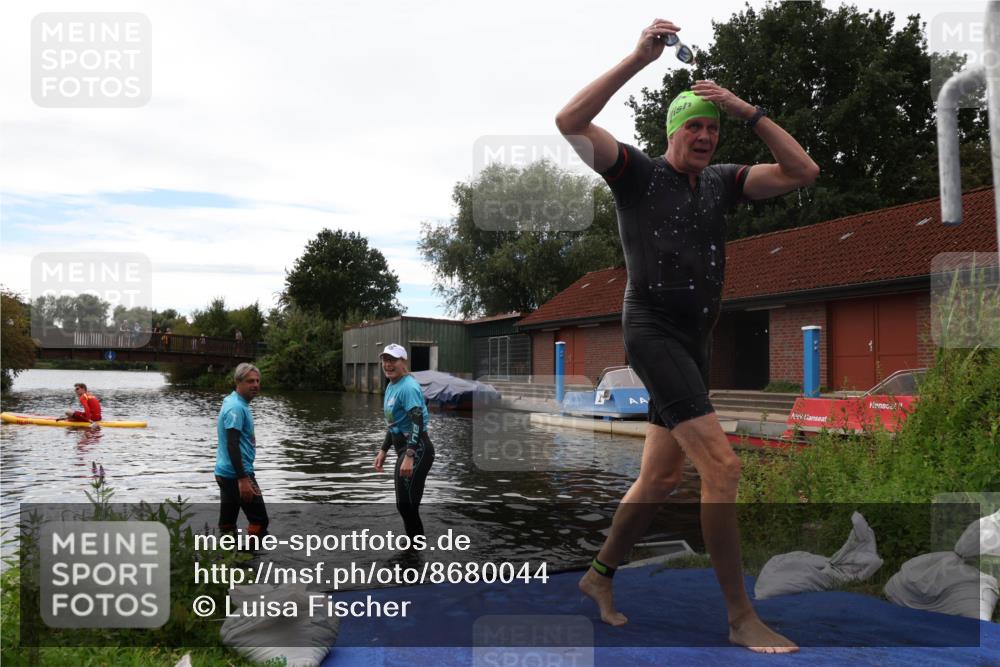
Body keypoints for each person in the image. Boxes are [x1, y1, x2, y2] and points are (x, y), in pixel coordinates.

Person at [555, 18, 818, 653]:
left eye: (711, 127)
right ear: (671, 130)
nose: (703, 135)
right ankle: (739, 618)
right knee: (723, 468)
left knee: (661, 479)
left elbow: (802, 171)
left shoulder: (725, 182)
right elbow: (569, 121)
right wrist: (638, 59)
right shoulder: (636, 175)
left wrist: (746, 111)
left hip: (695, 341)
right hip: (650, 332)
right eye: (693, 125)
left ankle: (598, 577)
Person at [372, 344, 435, 541]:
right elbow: (395, 423)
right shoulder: (392, 385)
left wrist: (409, 455)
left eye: (392, 360)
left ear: (403, 362)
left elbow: (417, 421)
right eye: (385, 360)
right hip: (405, 449)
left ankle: (414, 554)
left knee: (407, 506)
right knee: (406, 506)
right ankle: (414, 552)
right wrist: (383, 450)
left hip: (417, 450)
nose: (388, 364)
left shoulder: (407, 387)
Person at [215, 363, 268, 537]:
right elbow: (232, 444)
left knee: (228, 522)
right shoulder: (236, 408)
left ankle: (227, 560)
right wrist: (243, 479)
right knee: (260, 521)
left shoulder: (235, 401)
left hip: (226, 473)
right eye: (250, 381)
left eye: (257, 381)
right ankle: (249, 561)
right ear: (238, 382)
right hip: (236, 474)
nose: (255, 385)